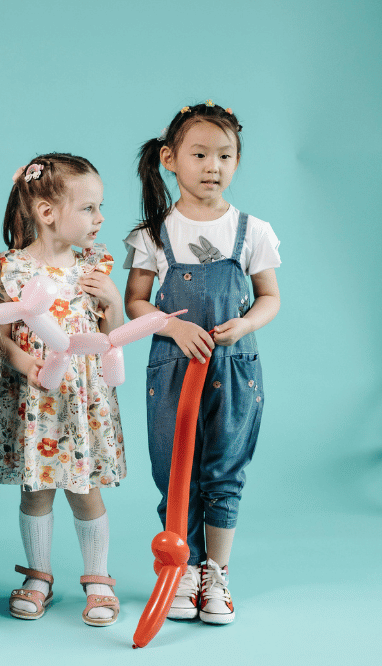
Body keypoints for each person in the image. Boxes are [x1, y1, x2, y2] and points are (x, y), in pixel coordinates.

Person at [124, 101, 281, 625]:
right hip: (172, 368)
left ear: (237, 161)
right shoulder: (152, 233)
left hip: (235, 369)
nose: (213, 166)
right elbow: (136, 303)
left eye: (225, 155)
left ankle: (217, 574)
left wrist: (245, 324)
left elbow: (269, 298)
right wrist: (171, 324)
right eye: (199, 154)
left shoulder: (252, 231)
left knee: (224, 471)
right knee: (174, 471)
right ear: (170, 159)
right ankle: (183, 568)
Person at [0, 154, 125, 627]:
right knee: (37, 491)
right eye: (89, 208)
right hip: (37, 402)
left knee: (84, 491)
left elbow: (113, 335)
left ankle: (98, 577)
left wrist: (114, 301)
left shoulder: (94, 267)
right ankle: (38, 575)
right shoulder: (12, 271)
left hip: (81, 403)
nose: (100, 218)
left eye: (99, 207)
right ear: (47, 213)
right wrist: (27, 363)